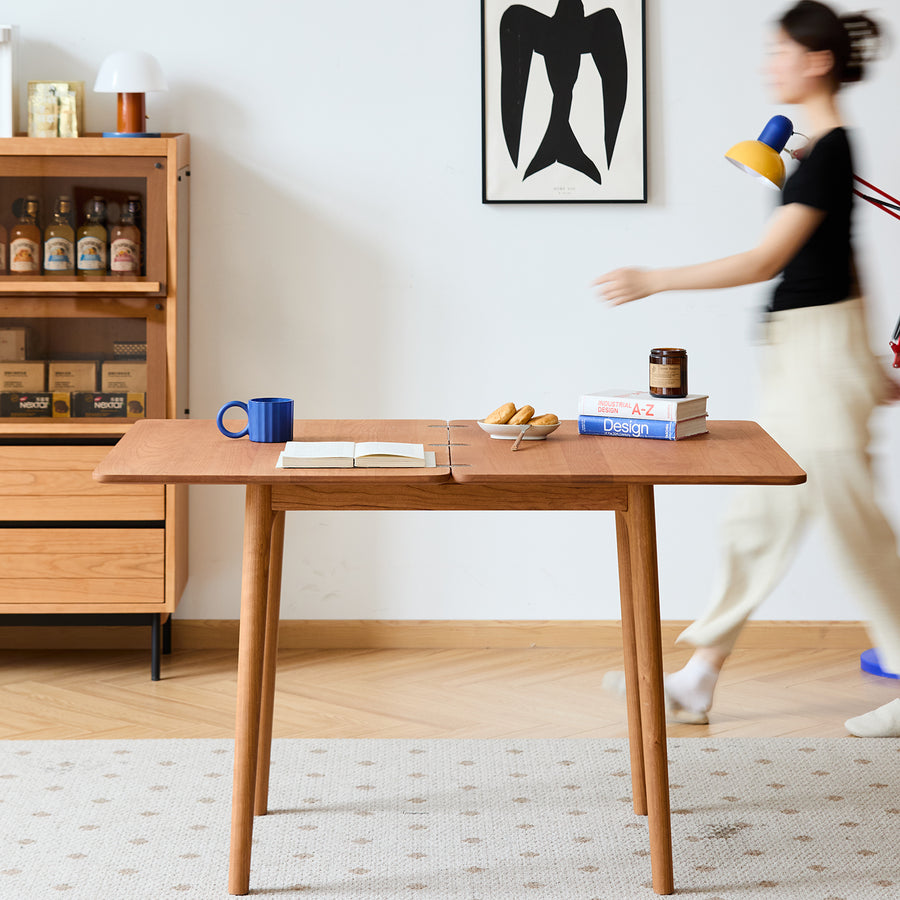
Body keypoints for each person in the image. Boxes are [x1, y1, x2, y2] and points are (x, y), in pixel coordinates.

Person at [594, 1, 900, 737]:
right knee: (757, 516)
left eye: (779, 52)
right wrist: (867, 358)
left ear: (817, 61)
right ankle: (697, 681)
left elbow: (767, 260)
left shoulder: (832, 151)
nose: (768, 65)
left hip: (820, 357)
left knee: (855, 526)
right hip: (807, 354)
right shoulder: (817, 151)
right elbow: (845, 257)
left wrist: (655, 279)